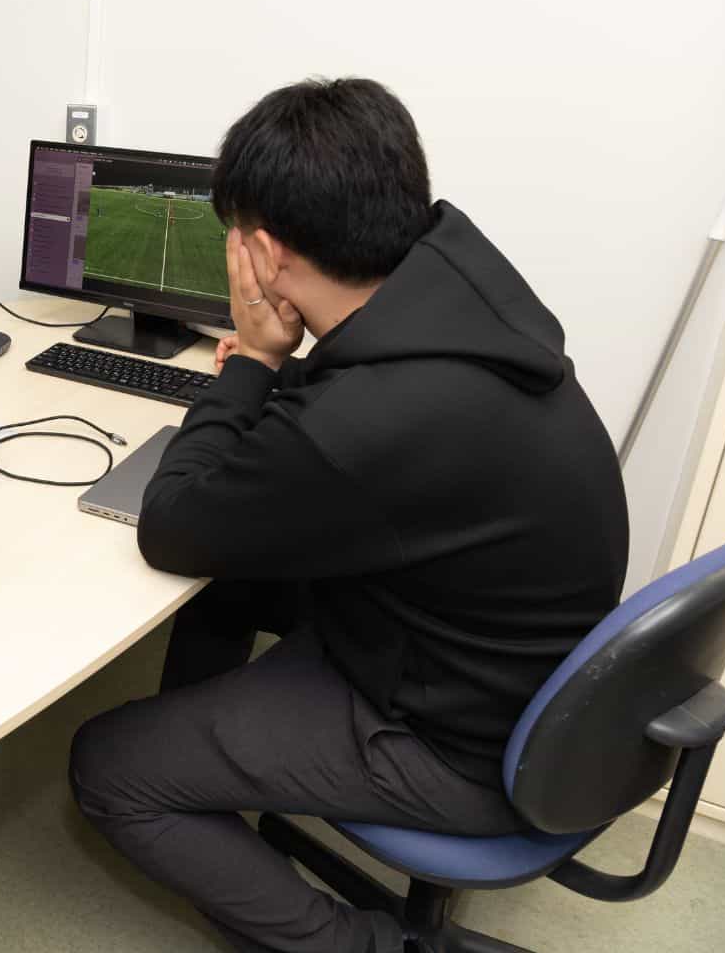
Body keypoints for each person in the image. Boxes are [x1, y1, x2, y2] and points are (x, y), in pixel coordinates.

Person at [68, 78, 629, 953]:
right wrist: (284, 377)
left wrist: (253, 361)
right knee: (233, 585)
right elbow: (358, 409)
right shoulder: (462, 295)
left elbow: (171, 526)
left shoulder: (366, 423)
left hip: (459, 748)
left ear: (263, 252)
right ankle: (206, 757)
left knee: (109, 766)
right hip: (512, 673)